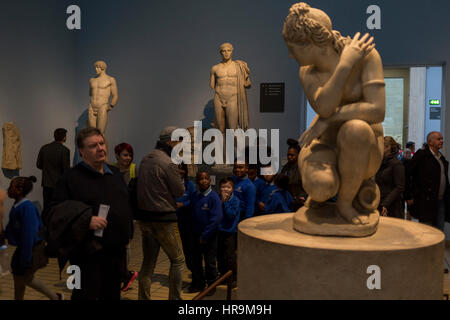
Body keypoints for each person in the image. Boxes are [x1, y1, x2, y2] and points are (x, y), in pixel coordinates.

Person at [283, 2, 385, 225]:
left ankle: (345, 203)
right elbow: (325, 108)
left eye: (294, 48)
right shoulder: (307, 72)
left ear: (313, 45)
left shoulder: (367, 56)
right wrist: (345, 64)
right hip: (326, 143)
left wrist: (330, 120)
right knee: (320, 188)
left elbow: (377, 110)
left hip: (365, 147)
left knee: (356, 128)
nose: (290, 55)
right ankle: (325, 191)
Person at [50, 127, 134, 300]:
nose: (100, 148)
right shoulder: (71, 178)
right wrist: (85, 220)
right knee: (83, 296)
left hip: (115, 253)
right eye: (93, 146)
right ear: (82, 151)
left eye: (102, 143)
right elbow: (53, 213)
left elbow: (124, 206)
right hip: (85, 255)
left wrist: (127, 234)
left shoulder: (115, 173)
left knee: (111, 295)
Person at [136, 126, 185, 300]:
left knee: (148, 263)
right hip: (164, 219)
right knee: (177, 260)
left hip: (145, 218)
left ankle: (143, 298)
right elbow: (179, 191)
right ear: (171, 141)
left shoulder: (145, 159)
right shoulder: (168, 162)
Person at [5, 176, 63, 300]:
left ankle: (55, 297)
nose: (8, 190)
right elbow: (12, 228)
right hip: (25, 247)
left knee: (26, 277)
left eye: (11, 187)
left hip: (32, 248)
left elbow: (29, 235)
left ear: (20, 190)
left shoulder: (27, 208)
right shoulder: (17, 205)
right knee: (18, 277)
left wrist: (26, 259)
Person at [406, 132, 450, 273]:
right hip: (426, 202)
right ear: (430, 142)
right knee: (426, 233)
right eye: (438, 139)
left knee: (439, 233)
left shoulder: (441, 158)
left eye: (442, 138)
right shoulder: (422, 155)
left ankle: (436, 263)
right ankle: (423, 264)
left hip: (440, 201)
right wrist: (408, 195)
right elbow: (408, 175)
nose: (442, 141)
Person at [189, 171, 222, 294]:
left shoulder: (214, 197)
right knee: (196, 261)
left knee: (210, 262)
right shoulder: (194, 196)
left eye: (206, 178)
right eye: (201, 179)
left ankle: (211, 286)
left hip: (209, 236)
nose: (203, 181)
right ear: (197, 181)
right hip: (195, 235)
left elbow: (216, 219)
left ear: (210, 180)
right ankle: (199, 283)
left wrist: (205, 235)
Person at [112, 142, 138, 292]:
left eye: (130, 155)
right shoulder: (112, 170)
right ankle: (123, 275)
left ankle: (124, 274)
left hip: (128, 212)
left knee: (126, 243)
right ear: (117, 155)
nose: (128, 158)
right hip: (115, 212)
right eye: (125, 155)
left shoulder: (134, 169)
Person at [210, 43, 251, 132]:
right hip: (218, 97)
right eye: (224, 51)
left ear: (232, 51)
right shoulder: (215, 68)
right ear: (220, 53)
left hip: (232, 97)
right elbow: (212, 85)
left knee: (233, 128)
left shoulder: (239, 66)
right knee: (220, 129)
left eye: (228, 50)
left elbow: (247, 84)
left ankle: (232, 145)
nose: (226, 53)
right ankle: (222, 145)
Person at [36, 128, 70, 217]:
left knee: (46, 207)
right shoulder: (65, 150)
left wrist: (47, 170)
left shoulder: (44, 148)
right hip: (59, 185)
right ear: (64, 137)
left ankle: (45, 228)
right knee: (58, 209)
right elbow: (66, 170)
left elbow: (38, 165)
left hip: (46, 183)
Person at [217, 178, 240, 287]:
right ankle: (223, 276)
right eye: (223, 186)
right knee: (220, 255)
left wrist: (225, 203)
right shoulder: (217, 198)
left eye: (228, 187)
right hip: (219, 230)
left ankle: (234, 277)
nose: (225, 189)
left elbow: (231, 215)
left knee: (230, 256)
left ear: (232, 189)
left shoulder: (235, 200)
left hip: (230, 231)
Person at [375, 136, 405, 219]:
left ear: (388, 147)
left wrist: (386, 203)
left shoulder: (396, 164)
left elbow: (399, 187)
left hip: (392, 205)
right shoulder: (380, 163)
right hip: (380, 202)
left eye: (380, 146)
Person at [175, 162, 196, 275]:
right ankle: (191, 269)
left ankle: (195, 270)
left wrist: (183, 205)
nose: (180, 171)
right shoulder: (171, 184)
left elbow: (194, 200)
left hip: (189, 219)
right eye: (177, 169)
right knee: (185, 247)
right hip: (177, 220)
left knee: (191, 246)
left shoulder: (190, 184)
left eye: (182, 169)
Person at [88, 61, 118, 134]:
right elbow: (90, 94)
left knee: (101, 133)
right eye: (95, 67)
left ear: (103, 68)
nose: (95, 69)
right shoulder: (92, 80)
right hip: (92, 107)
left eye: (97, 67)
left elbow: (115, 95)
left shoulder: (110, 79)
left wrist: (111, 106)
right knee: (92, 134)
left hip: (102, 107)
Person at [280, 139, 307, 211]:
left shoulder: (302, 168)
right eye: (288, 155)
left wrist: (302, 197)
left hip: (299, 203)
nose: (289, 157)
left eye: (292, 155)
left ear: (298, 155)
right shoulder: (285, 168)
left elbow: (306, 186)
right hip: (287, 202)